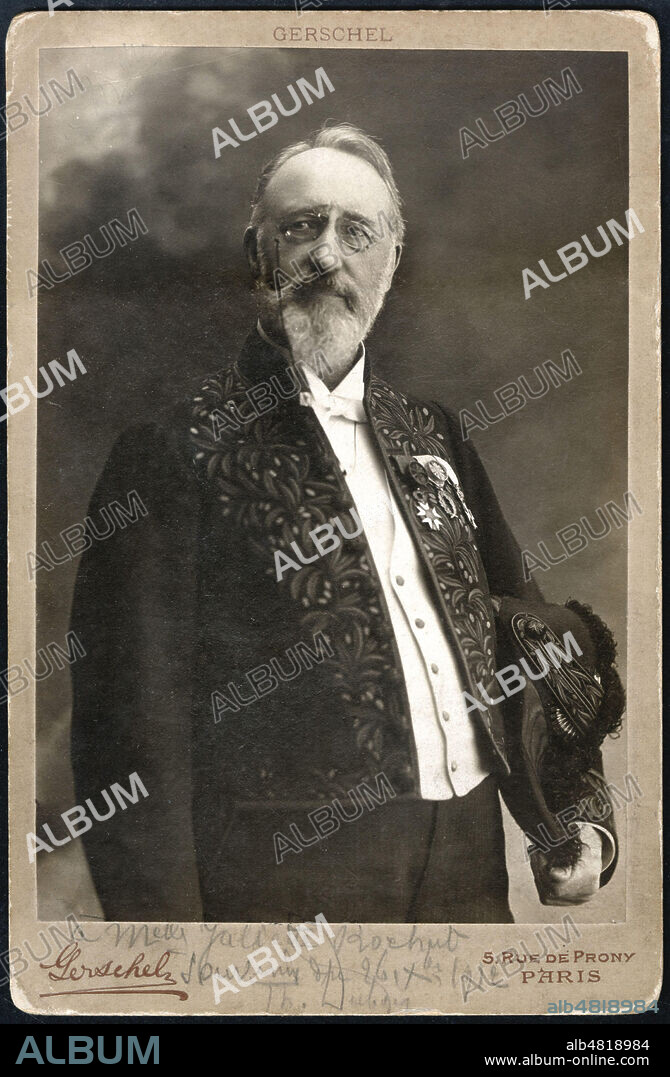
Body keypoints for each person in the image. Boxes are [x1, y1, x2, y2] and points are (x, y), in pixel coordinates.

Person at [70, 123, 624, 923]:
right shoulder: (170, 450)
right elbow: (130, 735)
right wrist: (168, 956)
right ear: (257, 253)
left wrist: (577, 819)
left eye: (357, 232)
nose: (327, 256)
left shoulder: (436, 435)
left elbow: (532, 640)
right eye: (302, 227)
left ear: (391, 262)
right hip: (279, 889)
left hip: (468, 874)